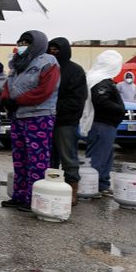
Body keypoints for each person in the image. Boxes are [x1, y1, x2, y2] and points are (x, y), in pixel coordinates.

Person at [0, 30, 60, 211]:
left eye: (26, 42)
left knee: (37, 160)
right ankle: (19, 195)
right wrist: (5, 99)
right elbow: (8, 86)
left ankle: (34, 198)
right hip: (18, 116)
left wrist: (17, 101)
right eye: (20, 41)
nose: (22, 45)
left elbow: (44, 91)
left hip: (38, 116)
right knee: (20, 159)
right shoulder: (17, 64)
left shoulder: (48, 62)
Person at [47, 38, 87, 204]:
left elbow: (77, 99)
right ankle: (51, 188)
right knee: (49, 158)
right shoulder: (46, 68)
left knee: (68, 157)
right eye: (51, 48)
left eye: (57, 49)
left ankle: (72, 191)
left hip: (66, 122)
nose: (53, 52)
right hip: (47, 120)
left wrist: (53, 107)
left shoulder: (75, 70)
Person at [80, 51, 125, 196]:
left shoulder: (96, 78)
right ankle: (92, 187)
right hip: (101, 124)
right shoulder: (101, 81)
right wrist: (120, 110)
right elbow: (101, 101)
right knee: (98, 158)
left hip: (102, 123)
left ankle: (102, 184)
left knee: (105, 155)